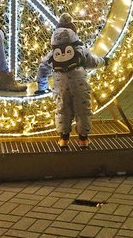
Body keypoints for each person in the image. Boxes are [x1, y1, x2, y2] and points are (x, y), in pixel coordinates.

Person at [34, 13, 107, 149]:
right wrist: (104, 62)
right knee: (82, 110)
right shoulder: (79, 48)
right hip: (79, 83)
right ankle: (83, 140)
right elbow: (92, 62)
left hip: (60, 85)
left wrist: (42, 86)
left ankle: (64, 139)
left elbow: (43, 68)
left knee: (63, 110)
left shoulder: (53, 52)